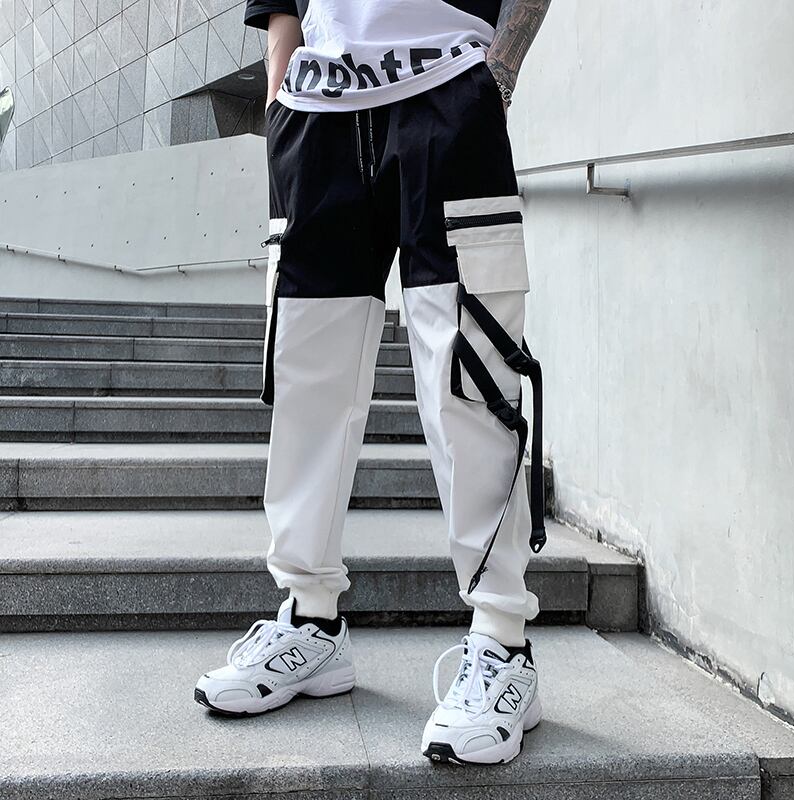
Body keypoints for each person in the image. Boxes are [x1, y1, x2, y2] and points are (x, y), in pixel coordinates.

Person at [195, 0, 552, 765]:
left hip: (449, 86)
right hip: (317, 113)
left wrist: (498, 72)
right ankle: (312, 620)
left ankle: (503, 643)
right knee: (307, 383)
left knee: (472, 374)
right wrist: (280, 94)